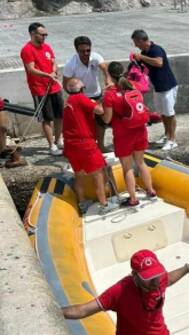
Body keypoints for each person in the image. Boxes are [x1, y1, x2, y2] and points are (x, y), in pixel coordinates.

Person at [62, 249, 189, 335]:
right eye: (148, 278)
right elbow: (83, 310)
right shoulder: (119, 291)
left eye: (156, 276)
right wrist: (52, 311)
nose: (155, 282)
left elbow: (169, 278)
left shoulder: (159, 279)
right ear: (135, 276)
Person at [102, 61, 156, 207]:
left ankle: (133, 199)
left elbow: (107, 118)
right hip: (140, 129)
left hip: (123, 134)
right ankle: (150, 191)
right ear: (123, 72)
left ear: (109, 75)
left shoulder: (109, 95)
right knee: (141, 162)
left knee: (127, 167)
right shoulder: (134, 86)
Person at [62, 78, 118, 214]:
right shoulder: (80, 99)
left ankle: (82, 203)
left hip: (70, 145)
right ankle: (104, 204)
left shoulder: (67, 101)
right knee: (99, 174)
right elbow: (99, 110)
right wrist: (103, 98)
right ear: (82, 89)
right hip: (85, 143)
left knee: (79, 175)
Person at [131, 29, 180, 151]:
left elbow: (159, 62)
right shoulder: (144, 52)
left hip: (168, 86)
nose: (135, 45)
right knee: (162, 114)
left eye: (136, 42)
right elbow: (143, 69)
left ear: (142, 40)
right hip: (158, 87)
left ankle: (172, 140)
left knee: (169, 113)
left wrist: (141, 57)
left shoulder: (156, 49)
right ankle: (166, 135)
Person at [20, 22, 63, 156]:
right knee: (46, 118)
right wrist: (47, 75)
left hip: (54, 86)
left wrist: (54, 71)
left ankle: (59, 139)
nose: (45, 37)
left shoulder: (47, 47)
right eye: (42, 34)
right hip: (40, 89)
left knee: (59, 115)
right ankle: (51, 146)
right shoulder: (27, 50)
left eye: (46, 34)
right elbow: (31, 69)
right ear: (33, 34)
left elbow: (53, 61)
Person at [63, 36, 112, 153]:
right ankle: (88, 148)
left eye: (88, 50)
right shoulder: (71, 64)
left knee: (100, 122)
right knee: (85, 124)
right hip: (82, 97)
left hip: (96, 93)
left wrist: (107, 79)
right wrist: (76, 98)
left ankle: (100, 145)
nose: (86, 53)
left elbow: (104, 68)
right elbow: (65, 84)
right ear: (76, 50)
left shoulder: (95, 57)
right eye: (82, 51)